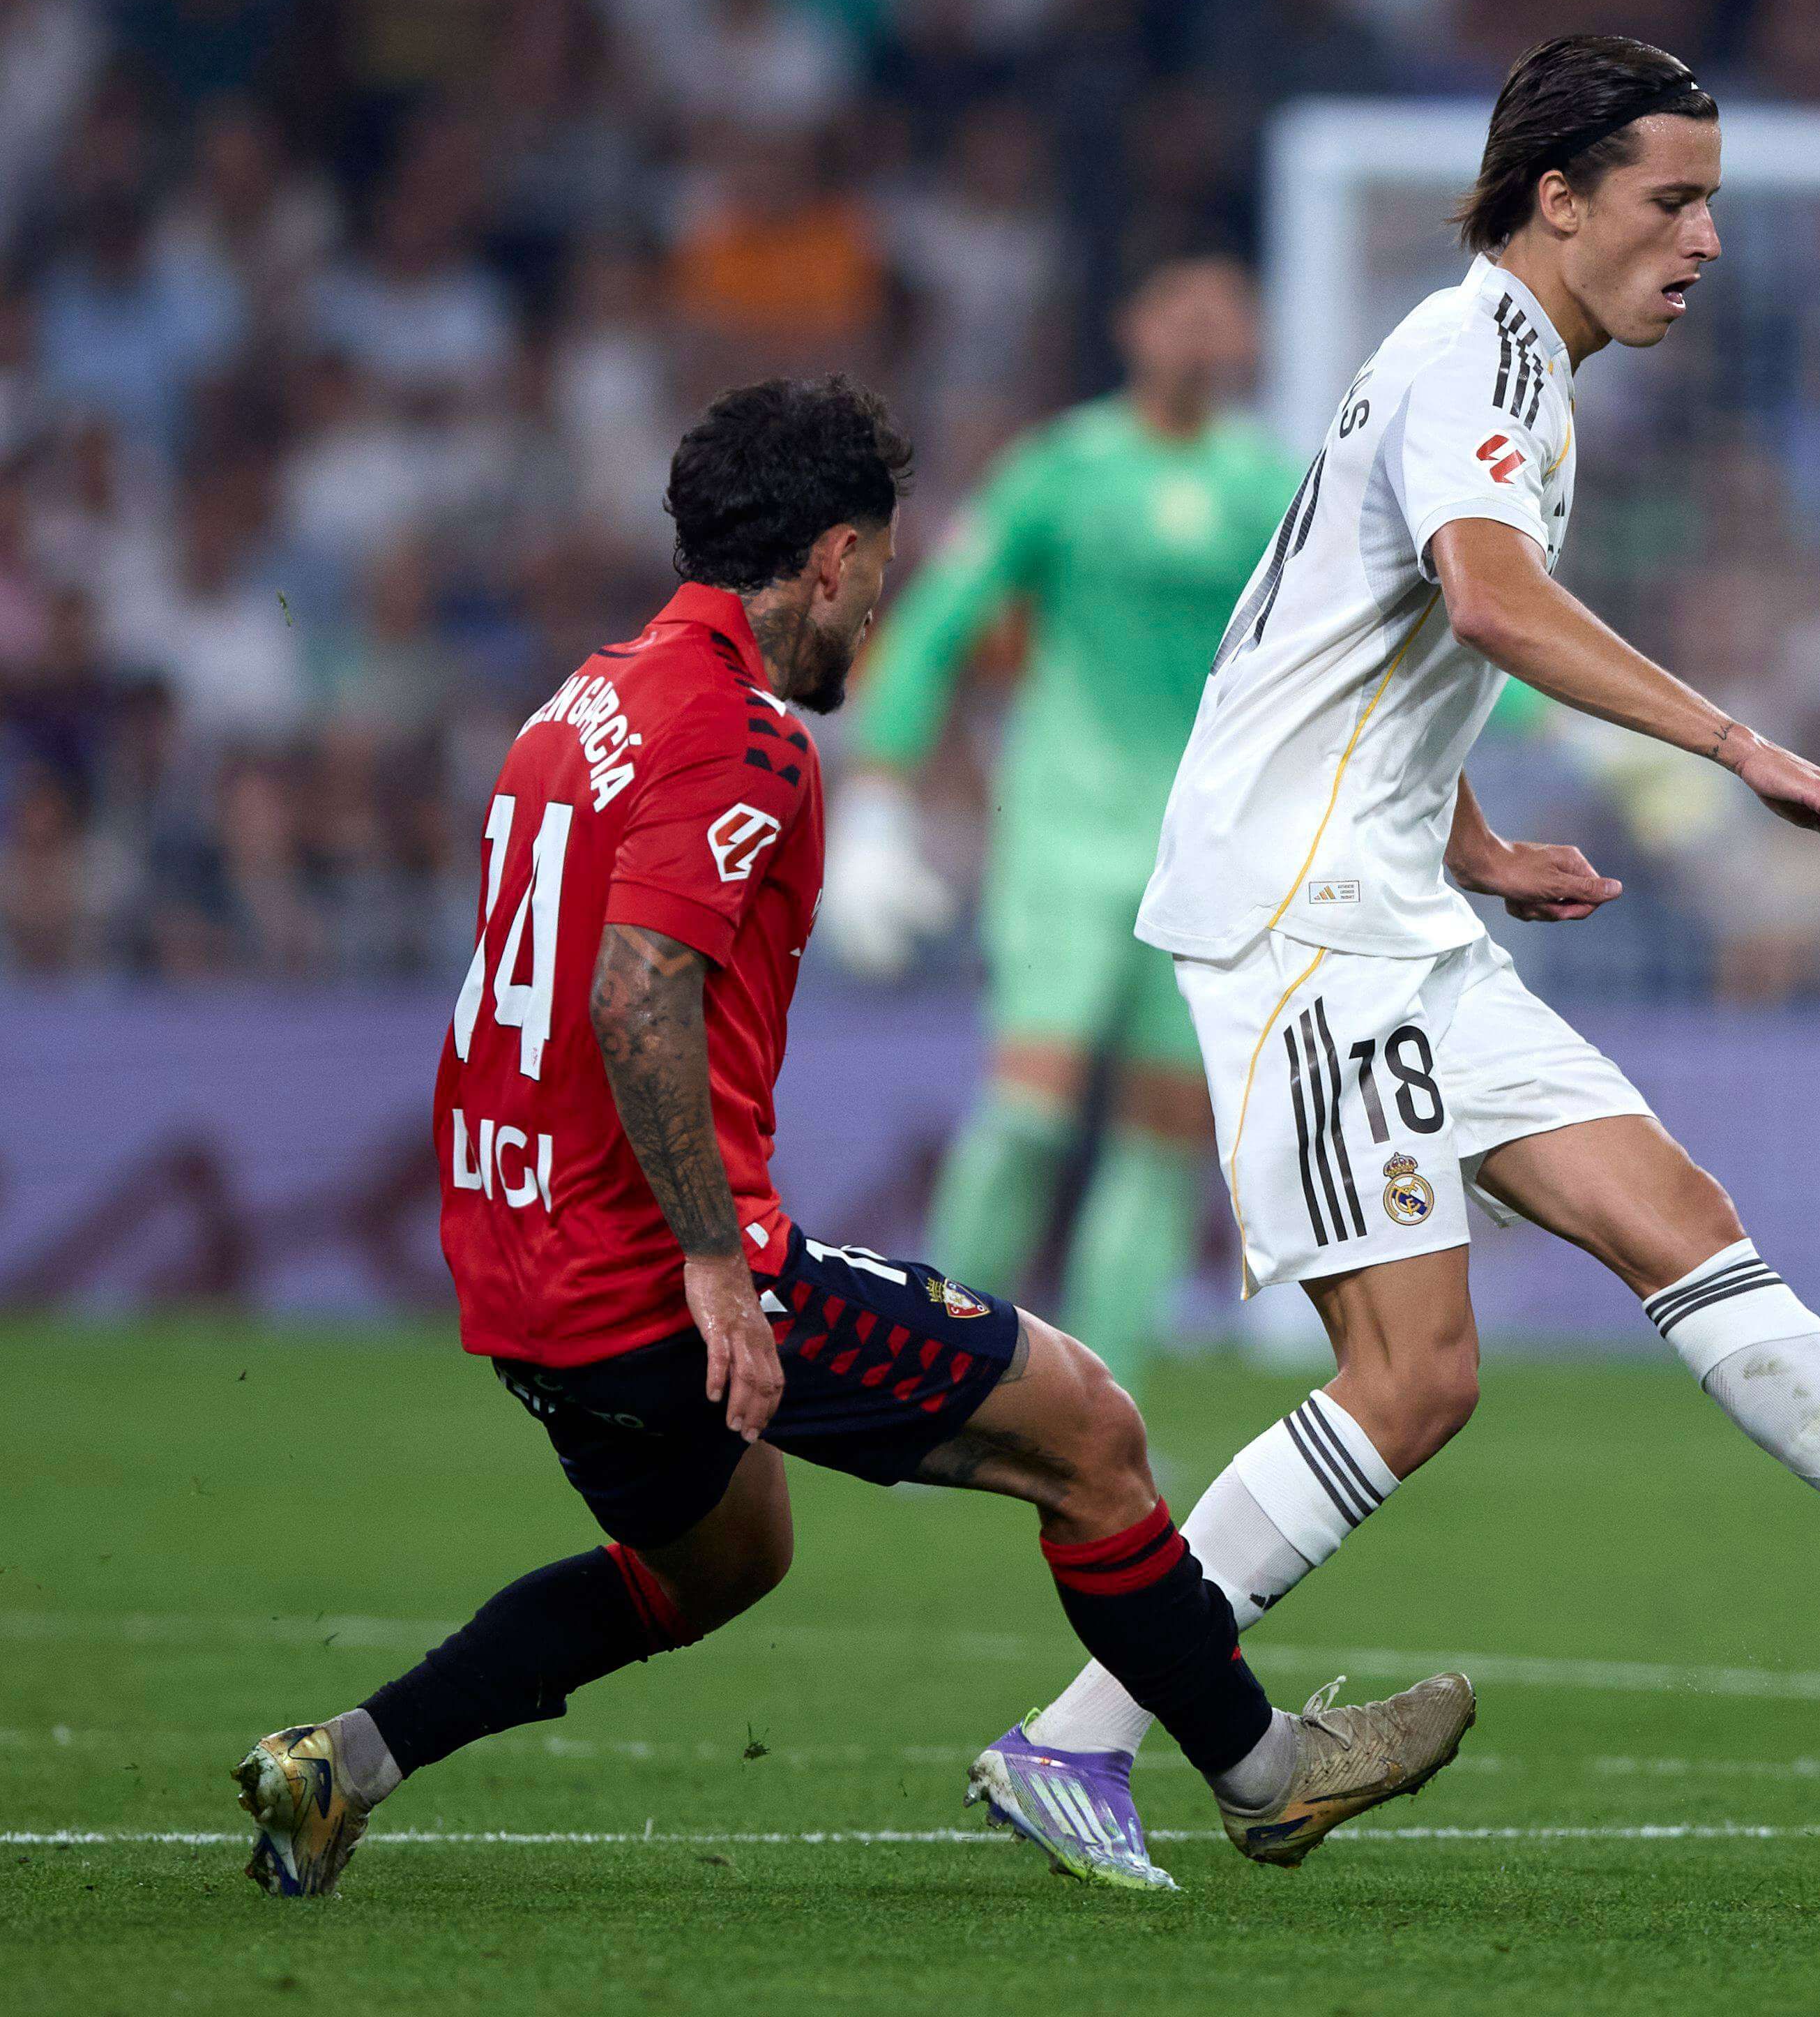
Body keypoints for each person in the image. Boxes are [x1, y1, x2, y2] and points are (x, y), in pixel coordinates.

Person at [972, 36, 1820, 1891]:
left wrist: (1468, 842)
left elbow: (1346, 636)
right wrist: (1741, 748)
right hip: (1304, 926)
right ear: (1556, 199)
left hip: (1388, 893)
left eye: (1710, 200)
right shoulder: (1476, 357)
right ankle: (1072, 1741)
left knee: (1673, 1212)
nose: (1705, 240)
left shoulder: (1509, 368)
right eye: (1672, 200)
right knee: (1413, 1379)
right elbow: (1477, 596)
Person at [234, 377, 1472, 1901]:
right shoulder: (739, 737)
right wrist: (712, 1263)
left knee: (729, 1559)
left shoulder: (582, 702)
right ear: (830, 556)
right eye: (881, 566)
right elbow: (636, 994)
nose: (883, 607)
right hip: (648, 1272)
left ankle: (339, 1766)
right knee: (1089, 1434)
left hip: (519, 1271)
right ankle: (1264, 1774)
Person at [821, 257, 1298, 1403]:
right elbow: (933, 629)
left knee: (1162, 1137)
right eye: (1178, 307)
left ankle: (1096, 1405)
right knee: (1029, 1114)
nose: (1199, 332)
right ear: (1133, 324)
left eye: (1222, 313)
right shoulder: (1060, 469)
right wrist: (874, 805)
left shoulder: (1273, 486)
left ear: (1249, 337)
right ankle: (923, 1383)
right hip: (1064, 837)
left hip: (1206, 846)